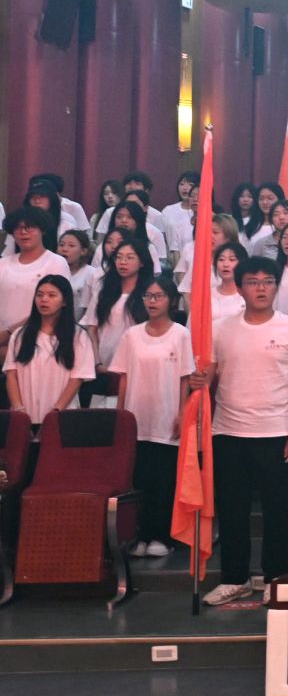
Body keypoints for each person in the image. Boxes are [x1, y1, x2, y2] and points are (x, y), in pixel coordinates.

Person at [204, 257, 288, 605]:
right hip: (229, 431)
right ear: (240, 288)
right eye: (253, 282)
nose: (261, 288)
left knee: (278, 511)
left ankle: (277, 577)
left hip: (277, 431)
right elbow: (207, 377)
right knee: (232, 510)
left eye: (268, 281)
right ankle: (234, 578)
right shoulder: (220, 329)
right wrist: (196, 381)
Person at [111, 275, 194, 557]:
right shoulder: (131, 335)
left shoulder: (181, 334)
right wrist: (121, 414)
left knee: (164, 480)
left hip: (165, 418)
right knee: (139, 479)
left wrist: (181, 413)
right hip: (136, 418)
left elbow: (185, 378)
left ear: (171, 300)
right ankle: (141, 536)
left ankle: (162, 537)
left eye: (158, 296)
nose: (152, 301)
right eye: (148, 296)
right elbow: (123, 377)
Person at [6, 276, 93, 424]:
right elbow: (11, 374)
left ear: (64, 301)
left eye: (52, 295)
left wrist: (56, 411)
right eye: (39, 295)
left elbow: (77, 378)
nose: (44, 300)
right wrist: (18, 409)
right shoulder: (20, 335)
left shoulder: (78, 336)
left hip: (61, 417)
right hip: (24, 416)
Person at [1, 207, 69, 336]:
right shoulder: (3, 264)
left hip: (36, 337)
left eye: (29, 227)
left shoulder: (56, 263)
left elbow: (56, 305)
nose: (23, 232)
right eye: (18, 228)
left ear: (42, 230)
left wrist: (10, 333)